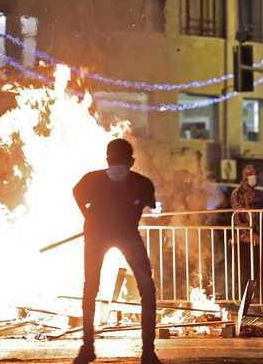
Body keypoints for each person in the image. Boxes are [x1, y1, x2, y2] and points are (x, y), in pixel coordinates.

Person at [72, 139, 162, 364]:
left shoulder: (90, 180)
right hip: (127, 236)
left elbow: (77, 193)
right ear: (131, 161)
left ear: (107, 159)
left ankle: (87, 348)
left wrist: (88, 216)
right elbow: (153, 206)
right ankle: (148, 352)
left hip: (96, 236)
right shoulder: (142, 183)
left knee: (90, 288)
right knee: (147, 289)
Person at [230, 164, 263, 294]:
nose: (253, 177)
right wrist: (250, 233)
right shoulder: (237, 193)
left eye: (254, 174)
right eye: (249, 174)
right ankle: (244, 298)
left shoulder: (254, 193)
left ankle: (253, 298)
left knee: (256, 270)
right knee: (245, 271)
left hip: (256, 238)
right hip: (244, 239)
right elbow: (239, 217)